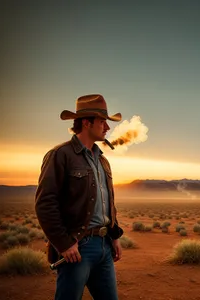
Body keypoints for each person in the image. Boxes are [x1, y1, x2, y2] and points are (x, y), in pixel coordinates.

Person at [35, 94, 123, 300]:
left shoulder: (103, 161)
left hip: (105, 244)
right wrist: (64, 244)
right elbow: (45, 203)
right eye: (103, 122)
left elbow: (109, 201)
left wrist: (115, 235)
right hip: (77, 247)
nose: (107, 128)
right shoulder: (60, 155)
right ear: (86, 122)